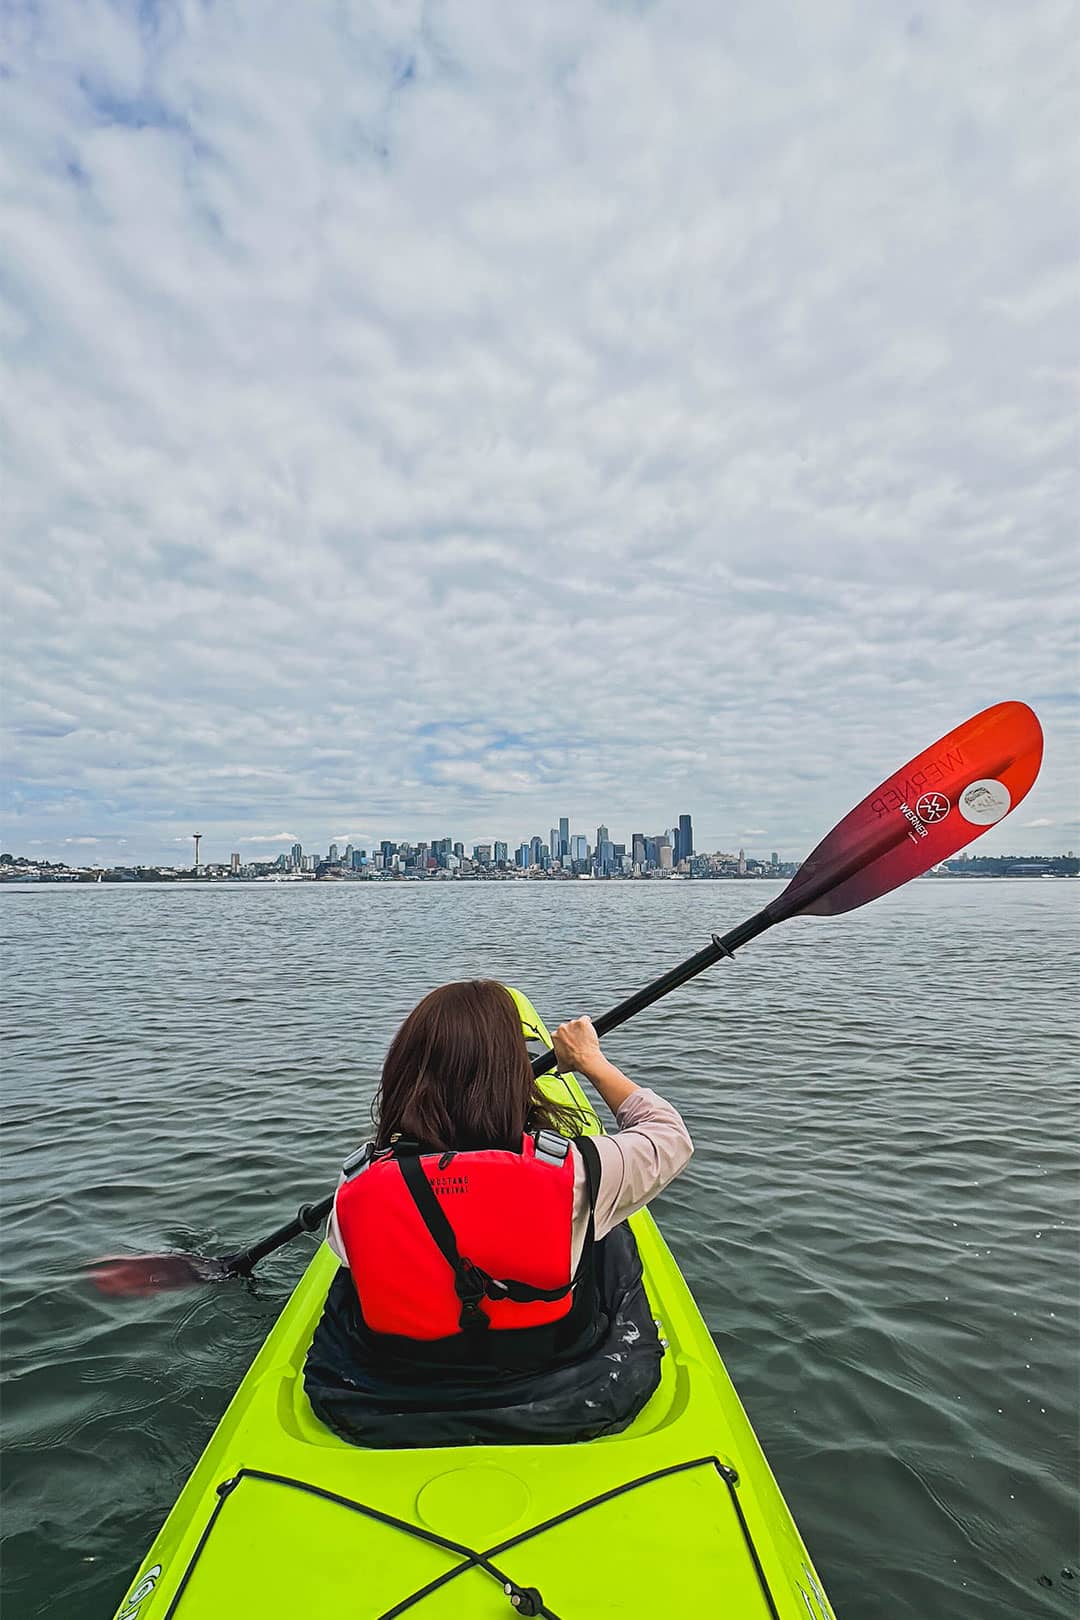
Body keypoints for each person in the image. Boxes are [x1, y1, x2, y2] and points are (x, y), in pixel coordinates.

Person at [325, 979, 693, 1373]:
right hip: (546, 1358)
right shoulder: (581, 1173)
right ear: (515, 1073)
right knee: (609, 1230)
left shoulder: (356, 1183)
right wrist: (590, 1060)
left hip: (405, 1368)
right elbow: (669, 1134)